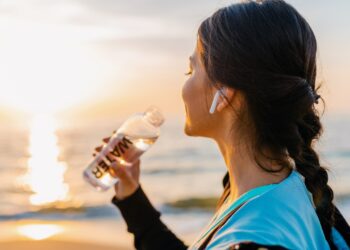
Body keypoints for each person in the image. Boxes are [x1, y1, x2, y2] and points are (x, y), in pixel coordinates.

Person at [96, 0, 350, 249]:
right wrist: (131, 196)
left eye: (191, 70)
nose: (184, 87)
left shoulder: (257, 236)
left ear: (224, 92)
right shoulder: (290, 189)